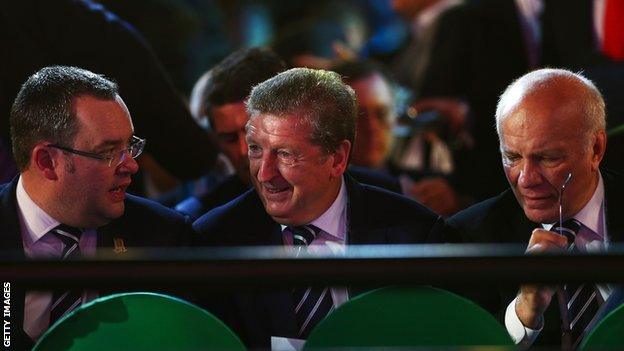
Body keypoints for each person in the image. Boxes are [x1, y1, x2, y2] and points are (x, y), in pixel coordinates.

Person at [193, 67, 444, 348]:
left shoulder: (414, 234)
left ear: (337, 158)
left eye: (285, 154)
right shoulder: (216, 239)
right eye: (255, 150)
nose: (264, 173)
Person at [1, 66, 193, 348]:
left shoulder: (164, 235)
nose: (131, 165)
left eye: (131, 146)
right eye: (108, 152)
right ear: (46, 161)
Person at [445, 68, 623, 349]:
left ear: (596, 149)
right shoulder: (469, 237)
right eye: (512, 157)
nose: (526, 178)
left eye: (548, 158)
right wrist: (523, 313)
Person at [175, 47, 287, 220]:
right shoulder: (205, 225)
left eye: (252, 132)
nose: (244, 151)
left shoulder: (341, 187)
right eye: (229, 139)